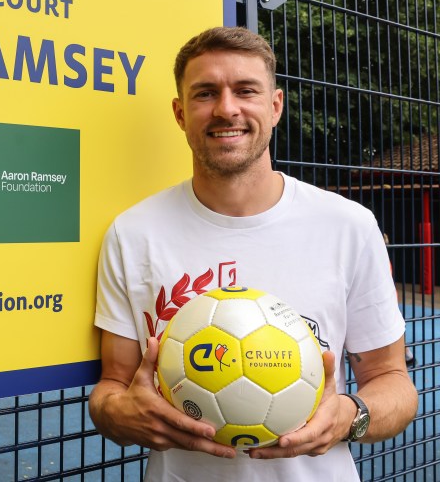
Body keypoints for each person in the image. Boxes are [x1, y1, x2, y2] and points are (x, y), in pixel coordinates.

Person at [89, 26, 418, 481]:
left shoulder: (348, 226)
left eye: (246, 90)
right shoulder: (133, 233)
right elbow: (112, 388)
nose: (227, 109)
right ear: (181, 113)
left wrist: (351, 415)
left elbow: (393, 382)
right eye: (205, 94)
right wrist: (119, 413)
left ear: (275, 105)